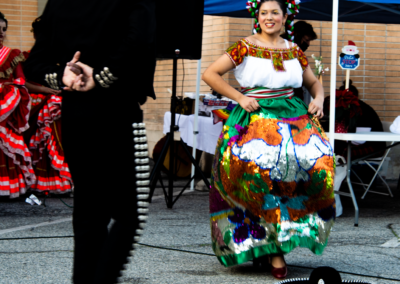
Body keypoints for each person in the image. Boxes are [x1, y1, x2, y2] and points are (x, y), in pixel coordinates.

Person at [23, 1, 156, 283]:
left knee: (89, 214)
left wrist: (63, 75)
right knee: (131, 212)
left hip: (77, 116)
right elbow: (140, 41)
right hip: (118, 111)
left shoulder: (58, 3)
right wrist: (100, 76)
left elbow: (34, 63)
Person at [202, 0, 335, 280]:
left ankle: (283, 239)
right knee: (258, 177)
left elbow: (313, 83)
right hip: (253, 119)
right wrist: (239, 97)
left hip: (292, 118)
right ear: (257, 16)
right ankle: (273, 251)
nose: (269, 17)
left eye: (275, 12)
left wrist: (320, 99)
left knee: (317, 166)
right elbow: (210, 74)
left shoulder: (295, 51)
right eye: (263, 13)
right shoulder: (244, 46)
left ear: (286, 17)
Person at [23, 17, 73, 195]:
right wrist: (47, 90)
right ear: (36, 34)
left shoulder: (61, 58)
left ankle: (60, 179)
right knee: (43, 139)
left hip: (56, 102)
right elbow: (23, 83)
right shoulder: (25, 57)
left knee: (59, 138)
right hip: (37, 102)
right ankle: (43, 180)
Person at [0, 12, 36, 198]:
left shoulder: (11, 54)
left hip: (5, 102)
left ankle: (7, 187)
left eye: (4, 29)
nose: (1, 33)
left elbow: (20, 81)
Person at [331, 80, 386, 160]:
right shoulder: (343, 110)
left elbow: (360, 139)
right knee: (330, 147)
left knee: (340, 152)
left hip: (374, 147)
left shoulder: (362, 110)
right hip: (357, 143)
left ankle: (344, 172)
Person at [283, 21, 318, 103]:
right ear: (298, 36)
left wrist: (318, 99)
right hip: (286, 100)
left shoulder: (299, 54)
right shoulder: (284, 48)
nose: (308, 44)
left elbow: (312, 82)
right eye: (306, 40)